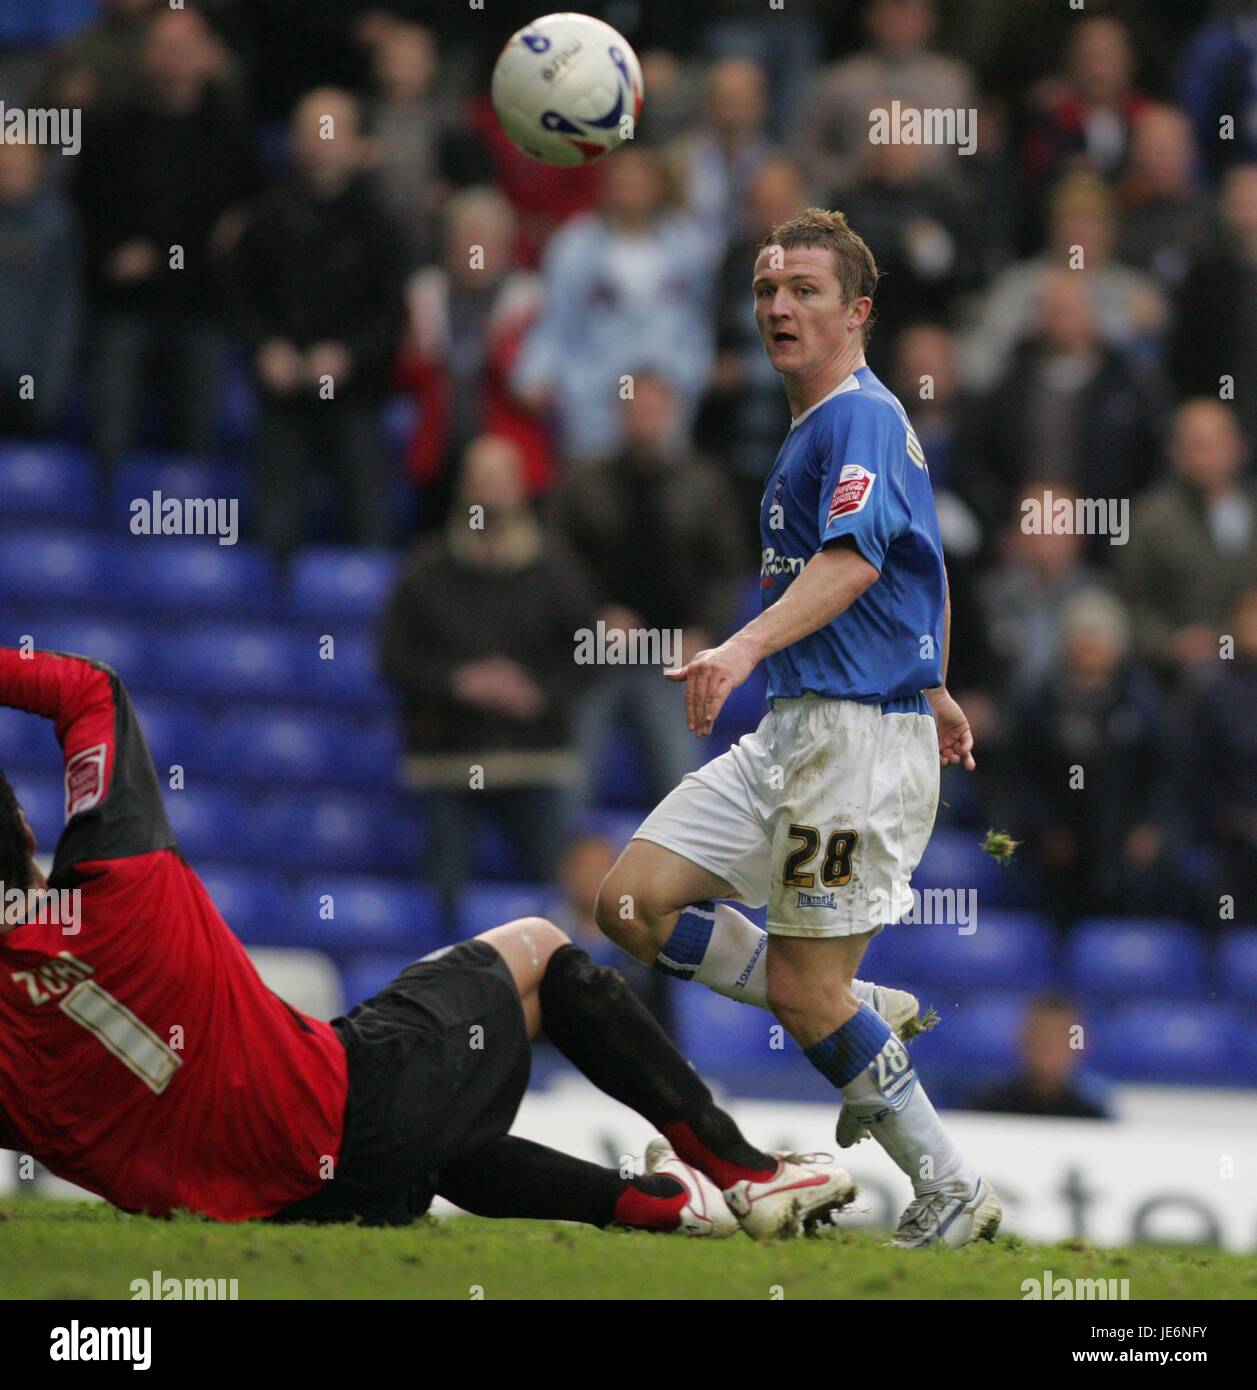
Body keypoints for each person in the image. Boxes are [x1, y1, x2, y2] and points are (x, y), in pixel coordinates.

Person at [0, 645, 850, 1240]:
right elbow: (88, 689)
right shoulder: (125, 886)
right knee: (538, 947)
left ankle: (662, 1206)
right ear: (27, 827)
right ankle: (747, 1173)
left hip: (303, 1206)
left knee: (442, 1101)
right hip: (352, 1115)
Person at [594, 207, 1002, 1248]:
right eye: (768, 289)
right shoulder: (824, 423)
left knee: (801, 995)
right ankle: (858, 1000)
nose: (779, 305)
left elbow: (860, 560)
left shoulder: (857, 416)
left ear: (858, 311)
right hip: (797, 732)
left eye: (806, 290)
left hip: (855, 746)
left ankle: (952, 1188)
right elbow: (920, 562)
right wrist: (938, 677)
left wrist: (741, 648)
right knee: (632, 902)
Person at [969, 995, 1112, 1120]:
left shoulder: (1092, 1117)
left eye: (1060, 1038)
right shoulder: (988, 1108)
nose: (1049, 1047)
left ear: (1080, 1046)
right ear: (1022, 1039)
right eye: (1041, 1036)